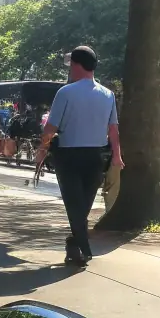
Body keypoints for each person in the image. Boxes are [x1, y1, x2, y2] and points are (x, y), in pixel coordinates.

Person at [36, 45, 123, 267]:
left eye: (71, 65)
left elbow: (51, 128)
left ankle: (80, 247)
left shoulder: (65, 92)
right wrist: (117, 156)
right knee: (82, 204)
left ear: (76, 65)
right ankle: (76, 247)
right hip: (96, 156)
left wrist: (42, 149)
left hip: (68, 155)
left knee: (74, 204)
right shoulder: (108, 95)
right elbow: (113, 129)